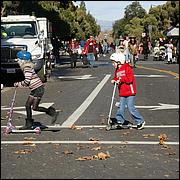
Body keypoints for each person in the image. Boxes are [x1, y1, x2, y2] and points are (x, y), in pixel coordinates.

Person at [14, 50, 59, 130]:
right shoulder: (27, 67)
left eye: (18, 59)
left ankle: (52, 112)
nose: (17, 60)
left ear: (23, 60)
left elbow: (27, 81)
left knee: (34, 107)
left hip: (38, 89)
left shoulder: (26, 68)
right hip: (35, 89)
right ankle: (29, 123)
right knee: (27, 105)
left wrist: (18, 84)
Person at [110, 53, 145, 130]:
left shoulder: (127, 68)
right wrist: (114, 80)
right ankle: (119, 120)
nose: (113, 64)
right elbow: (117, 77)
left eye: (113, 62)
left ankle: (140, 121)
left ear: (119, 62)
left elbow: (130, 79)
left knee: (130, 107)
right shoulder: (117, 70)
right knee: (121, 107)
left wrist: (121, 80)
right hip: (122, 92)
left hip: (130, 91)